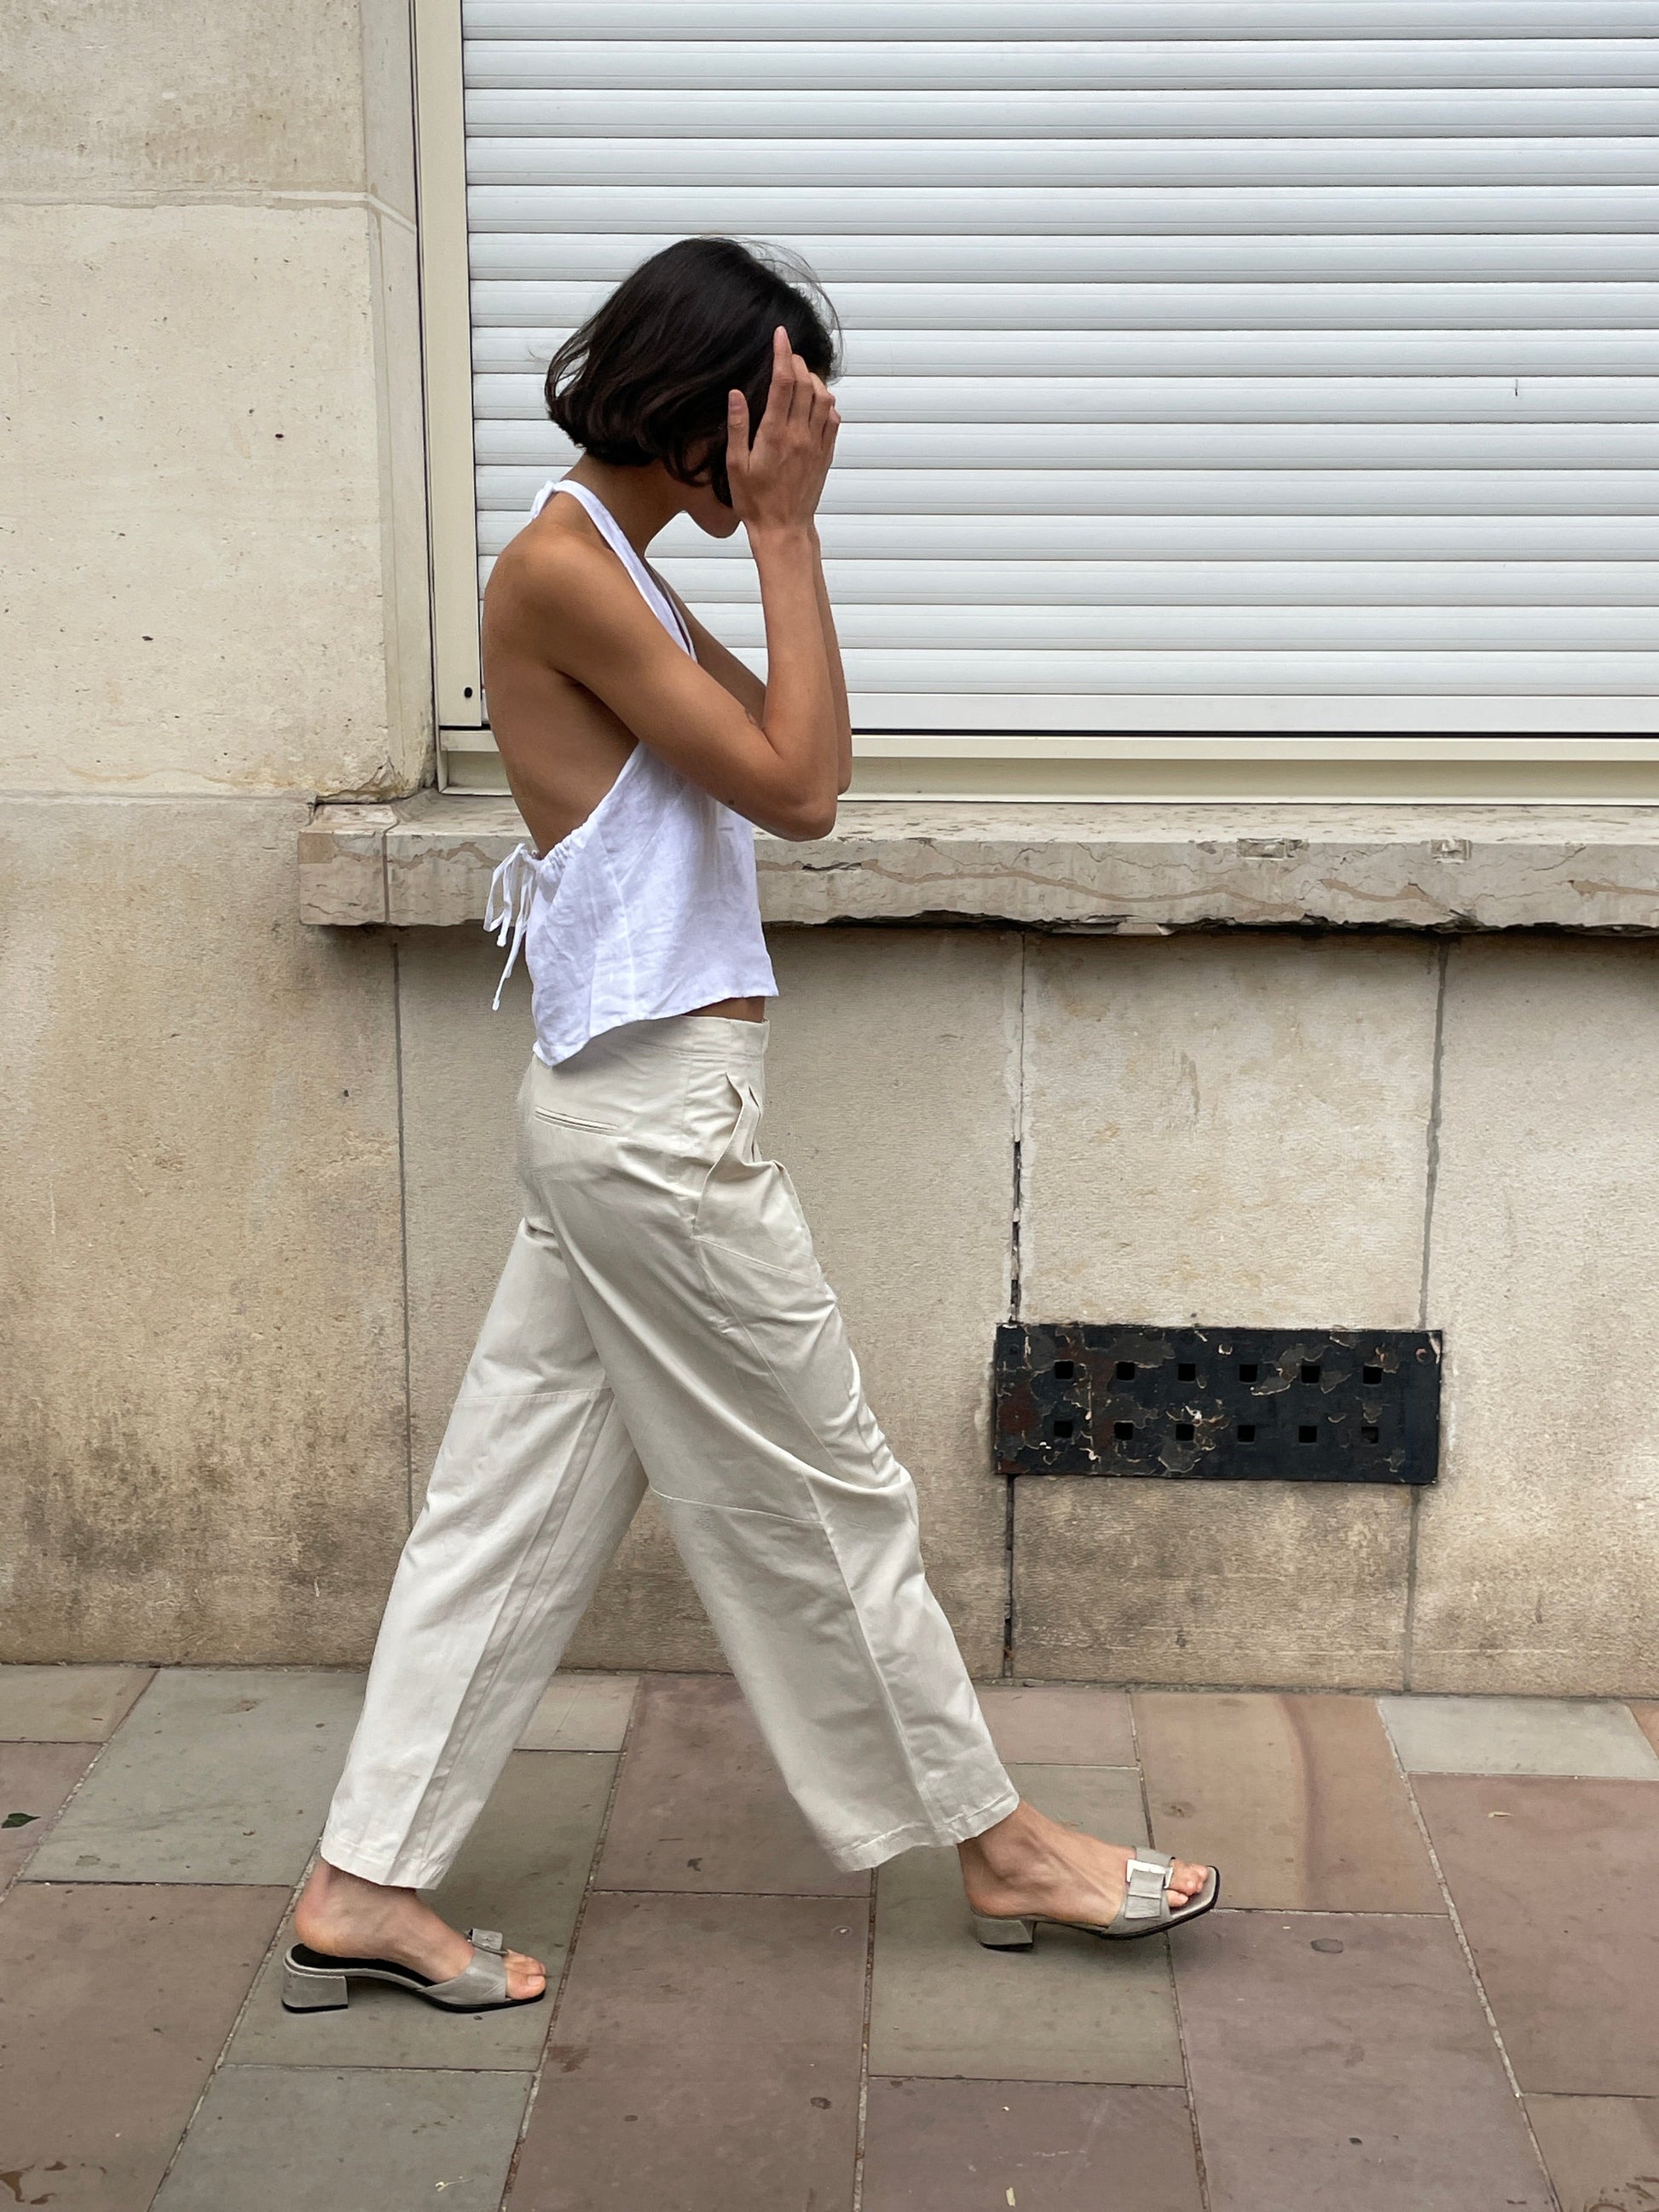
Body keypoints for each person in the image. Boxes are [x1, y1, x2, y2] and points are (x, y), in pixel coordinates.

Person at [285, 239, 1217, 2015]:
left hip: (620, 1122)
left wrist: (768, 534)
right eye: (775, 420)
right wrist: (788, 534)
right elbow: (800, 794)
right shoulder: (568, 564)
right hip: (650, 1135)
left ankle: (360, 1879)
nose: (794, 452)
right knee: (830, 1488)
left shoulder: (617, 559)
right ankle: (1000, 1844)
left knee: (506, 1509)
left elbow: (800, 749)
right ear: (702, 408)